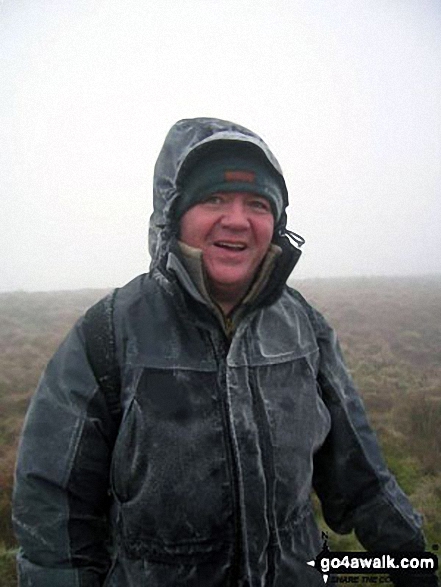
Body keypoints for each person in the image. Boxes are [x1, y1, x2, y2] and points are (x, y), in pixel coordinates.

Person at [12, 117, 437, 586]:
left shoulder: (305, 329)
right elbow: (53, 511)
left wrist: (416, 567)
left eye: (257, 203)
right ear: (175, 215)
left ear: (275, 223)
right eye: (213, 198)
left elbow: (364, 480)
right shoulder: (109, 332)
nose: (237, 219)